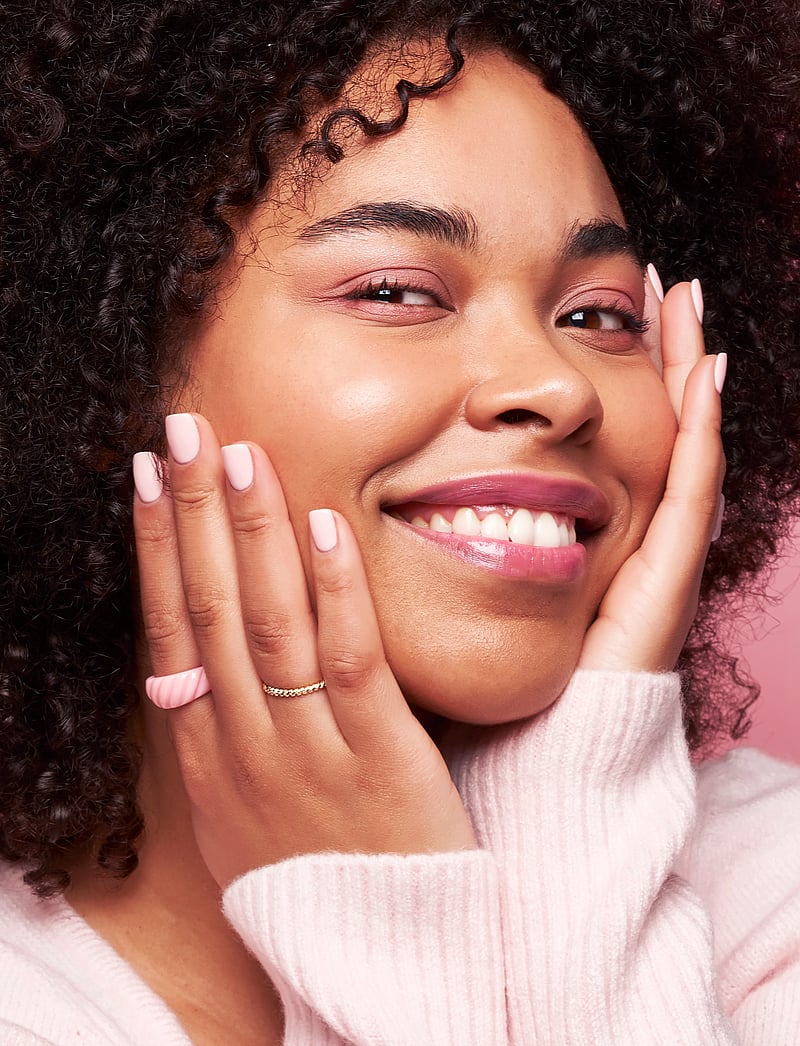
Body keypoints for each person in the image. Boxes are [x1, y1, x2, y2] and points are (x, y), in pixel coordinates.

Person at [1, 1, 799, 1042]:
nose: (556, 388)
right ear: (102, 383)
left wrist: (570, 802)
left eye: (599, 315)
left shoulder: (768, 882)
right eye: (395, 290)